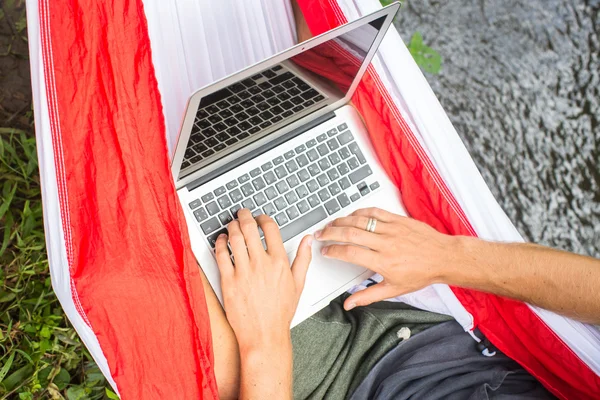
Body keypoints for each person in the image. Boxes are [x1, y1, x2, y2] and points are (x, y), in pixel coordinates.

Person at [202, 207, 600, 399]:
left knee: (185, 260)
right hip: (455, 321)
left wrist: (265, 345)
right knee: (325, 114)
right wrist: (445, 256)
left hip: (328, 382)